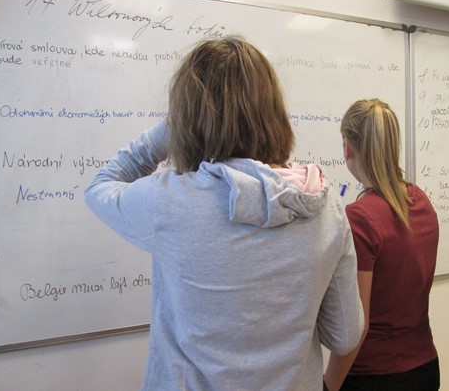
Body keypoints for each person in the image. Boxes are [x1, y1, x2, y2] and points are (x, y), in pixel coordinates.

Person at [84, 35, 364, 391]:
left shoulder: (169, 200)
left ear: (188, 119)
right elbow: (344, 336)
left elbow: (101, 186)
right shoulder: (326, 207)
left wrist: (170, 130)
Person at [324, 98, 440, 391]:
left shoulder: (360, 217)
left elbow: (357, 324)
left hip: (375, 376)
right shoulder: (420, 199)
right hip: (424, 367)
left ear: (347, 148)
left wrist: (329, 385)